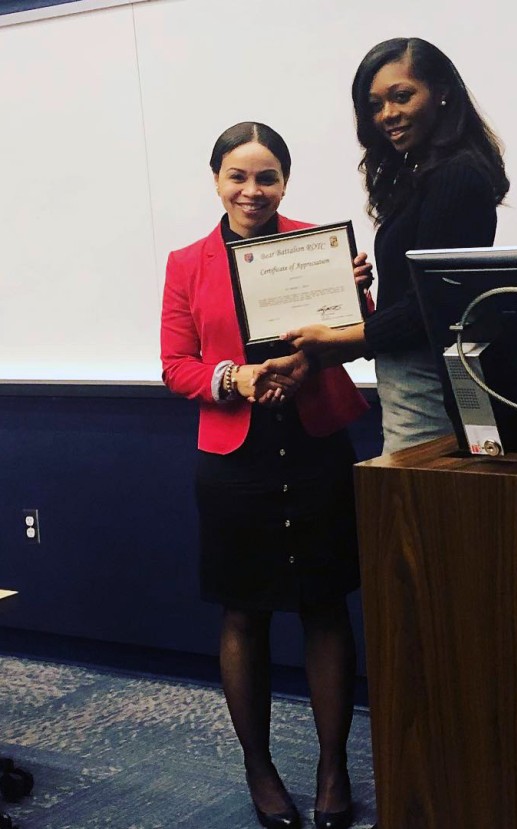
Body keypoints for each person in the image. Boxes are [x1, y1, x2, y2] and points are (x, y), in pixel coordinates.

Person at [160, 122, 370, 829]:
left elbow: (356, 340)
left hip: (315, 444)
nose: (253, 191)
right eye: (239, 176)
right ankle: (260, 768)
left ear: (286, 180)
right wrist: (235, 377)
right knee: (243, 613)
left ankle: (334, 766)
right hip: (234, 458)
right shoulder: (186, 261)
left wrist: (358, 300)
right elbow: (176, 364)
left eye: (268, 177)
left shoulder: (317, 246)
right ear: (216, 179)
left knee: (325, 606)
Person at [267, 37, 510, 454]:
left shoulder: (456, 176)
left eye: (401, 97)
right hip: (410, 375)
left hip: (429, 379)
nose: (387, 115)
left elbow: (430, 305)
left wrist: (346, 337)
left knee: (417, 506)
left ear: (443, 93)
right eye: (375, 104)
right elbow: (413, 290)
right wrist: (355, 289)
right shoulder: (420, 174)